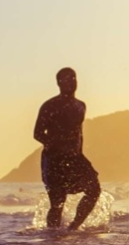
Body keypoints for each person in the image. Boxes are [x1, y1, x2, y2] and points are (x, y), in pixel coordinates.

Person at [34, 68, 102, 231]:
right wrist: (55, 145)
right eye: (66, 79)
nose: (71, 82)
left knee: (94, 189)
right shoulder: (50, 105)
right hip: (54, 159)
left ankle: (73, 227)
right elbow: (37, 133)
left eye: (73, 78)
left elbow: (79, 133)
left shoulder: (80, 106)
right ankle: (53, 236)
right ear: (58, 83)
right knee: (57, 203)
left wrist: (79, 153)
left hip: (76, 157)